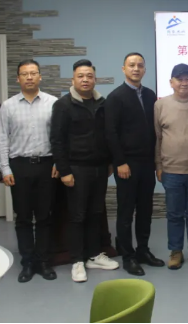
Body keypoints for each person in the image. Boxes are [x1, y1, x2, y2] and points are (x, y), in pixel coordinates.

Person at [50, 59, 118, 283]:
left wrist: (109, 162)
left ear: (95, 79)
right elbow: (57, 140)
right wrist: (64, 170)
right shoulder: (63, 105)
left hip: (99, 168)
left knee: (96, 213)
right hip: (76, 169)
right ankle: (77, 260)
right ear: (73, 79)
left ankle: (94, 255)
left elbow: (108, 135)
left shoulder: (102, 103)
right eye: (80, 76)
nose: (85, 80)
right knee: (77, 216)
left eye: (89, 76)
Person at [0, 59, 58, 283]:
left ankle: (43, 261)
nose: (29, 77)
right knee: (22, 218)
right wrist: (4, 168)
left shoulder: (53, 103)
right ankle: (28, 262)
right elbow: (2, 138)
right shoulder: (8, 106)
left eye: (33, 73)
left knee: (44, 217)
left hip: (47, 166)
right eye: (25, 74)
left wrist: (59, 163)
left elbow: (59, 137)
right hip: (19, 166)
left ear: (40, 76)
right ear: (18, 78)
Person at [104, 53, 164, 277]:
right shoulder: (115, 97)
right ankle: (128, 256)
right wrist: (119, 161)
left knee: (145, 210)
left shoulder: (150, 95)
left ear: (145, 70)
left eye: (140, 65)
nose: (136, 69)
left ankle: (143, 250)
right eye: (131, 65)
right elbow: (110, 132)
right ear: (124, 69)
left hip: (147, 163)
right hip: (126, 165)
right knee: (126, 212)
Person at [155, 64, 188, 270]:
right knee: (174, 214)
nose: (184, 83)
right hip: (171, 170)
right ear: (171, 82)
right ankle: (175, 251)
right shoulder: (160, 105)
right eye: (180, 79)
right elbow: (157, 138)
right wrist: (158, 165)